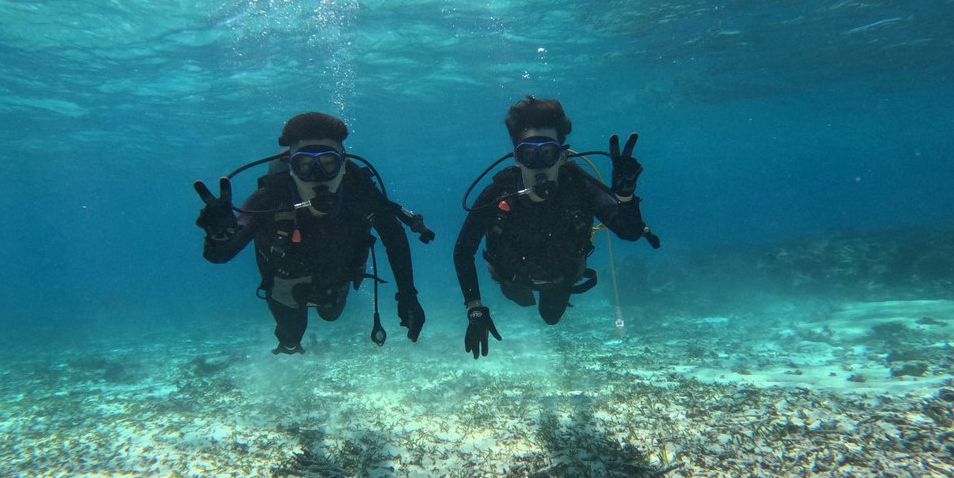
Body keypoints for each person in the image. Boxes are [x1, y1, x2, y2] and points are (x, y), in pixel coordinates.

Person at [194, 112, 427, 355]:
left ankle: (318, 308)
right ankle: (289, 343)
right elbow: (219, 254)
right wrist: (218, 236)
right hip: (285, 278)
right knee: (290, 336)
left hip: (336, 276)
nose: (318, 177)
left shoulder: (360, 191)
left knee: (331, 314)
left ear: (343, 163)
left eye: (328, 163)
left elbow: (394, 237)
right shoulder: (272, 195)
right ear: (291, 167)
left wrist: (407, 295)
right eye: (304, 165)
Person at [454, 96, 660, 358]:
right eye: (528, 154)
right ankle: (520, 291)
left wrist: (626, 197)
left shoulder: (580, 188)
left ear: (562, 157)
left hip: (561, 278)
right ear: (516, 158)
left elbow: (629, 232)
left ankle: (549, 296)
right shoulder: (498, 193)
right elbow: (463, 250)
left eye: (548, 153)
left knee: (551, 317)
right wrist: (474, 307)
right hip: (511, 276)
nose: (539, 164)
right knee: (520, 298)